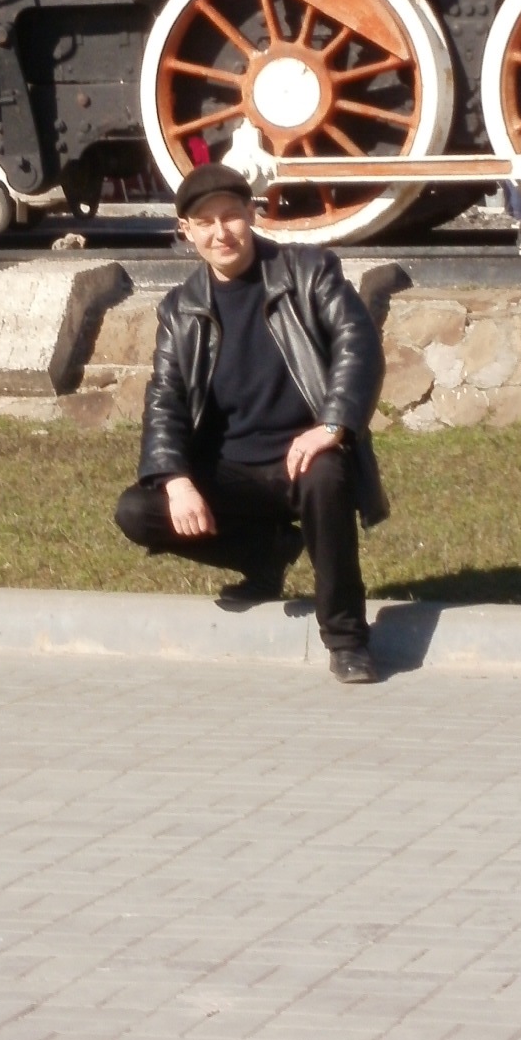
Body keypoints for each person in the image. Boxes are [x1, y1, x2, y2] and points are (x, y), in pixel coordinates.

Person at [114, 163, 388, 683]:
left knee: (327, 475)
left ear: (252, 215)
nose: (221, 233)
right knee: (138, 511)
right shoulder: (180, 309)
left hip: (302, 459)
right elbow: (166, 400)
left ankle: (347, 639)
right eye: (205, 222)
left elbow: (359, 343)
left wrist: (332, 425)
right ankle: (267, 554)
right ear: (186, 231)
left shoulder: (309, 271)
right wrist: (176, 480)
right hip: (229, 471)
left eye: (231, 217)